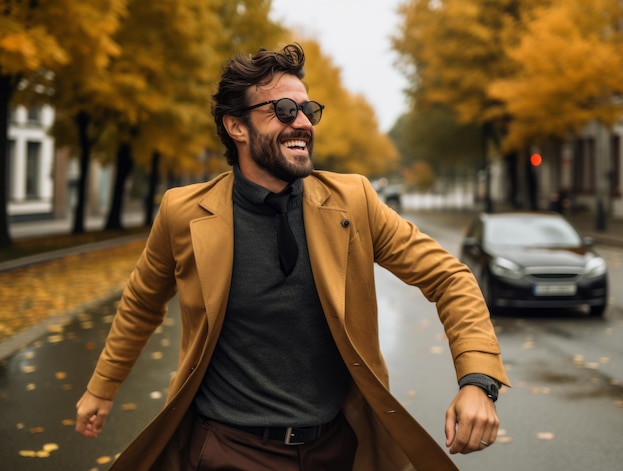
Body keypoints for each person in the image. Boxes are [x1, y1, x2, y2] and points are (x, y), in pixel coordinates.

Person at [76, 43, 509, 471]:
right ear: (237, 127)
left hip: (337, 449)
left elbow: (449, 277)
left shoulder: (353, 201)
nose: (302, 122)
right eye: (284, 110)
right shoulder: (183, 212)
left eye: (308, 111)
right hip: (227, 449)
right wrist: (101, 388)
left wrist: (478, 381)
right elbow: (141, 304)